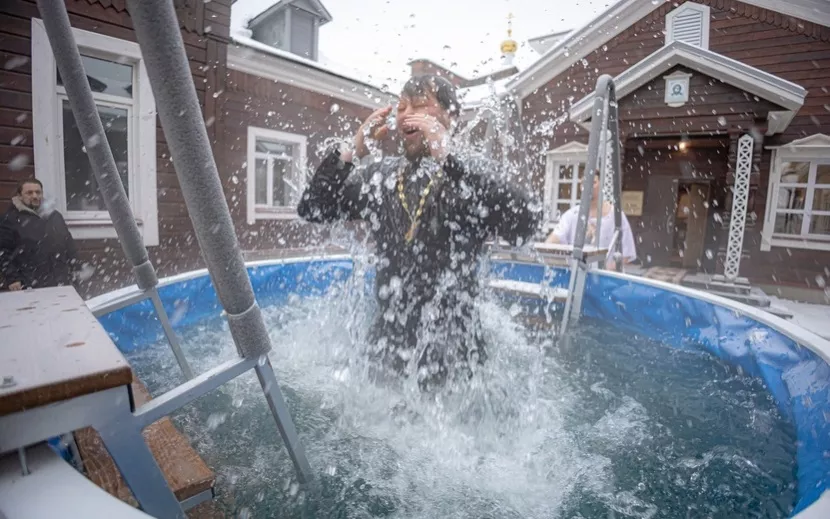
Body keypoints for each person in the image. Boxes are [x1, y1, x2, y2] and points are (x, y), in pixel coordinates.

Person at [298, 74, 540, 391]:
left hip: (454, 352)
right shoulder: (380, 176)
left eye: (421, 106)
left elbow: (525, 226)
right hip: (387, 346)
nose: (407, 114)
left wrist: (447, 155)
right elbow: (314, 209)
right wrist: (351, 151)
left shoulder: (470, 173)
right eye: (401, 107)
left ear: (450, 117)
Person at [545, 173, 637, 269]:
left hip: (607, 279)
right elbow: (551, 242)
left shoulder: (617, 216)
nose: (587, 185)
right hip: (576, 278)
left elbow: (626, 254)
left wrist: (605, 270)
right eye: (583, 183)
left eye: (593, 182)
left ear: (601, 185)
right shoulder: (571, 215)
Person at [0, 178, 78, 291]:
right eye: (29, 193)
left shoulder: (55, 216)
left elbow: (68, 243)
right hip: (29, 283)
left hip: (61, 280)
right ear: (19, 196)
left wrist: (77, 267)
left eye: (38, 192)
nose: (35, 196)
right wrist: (12, 278)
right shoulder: (9, 219)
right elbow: (3, 251)